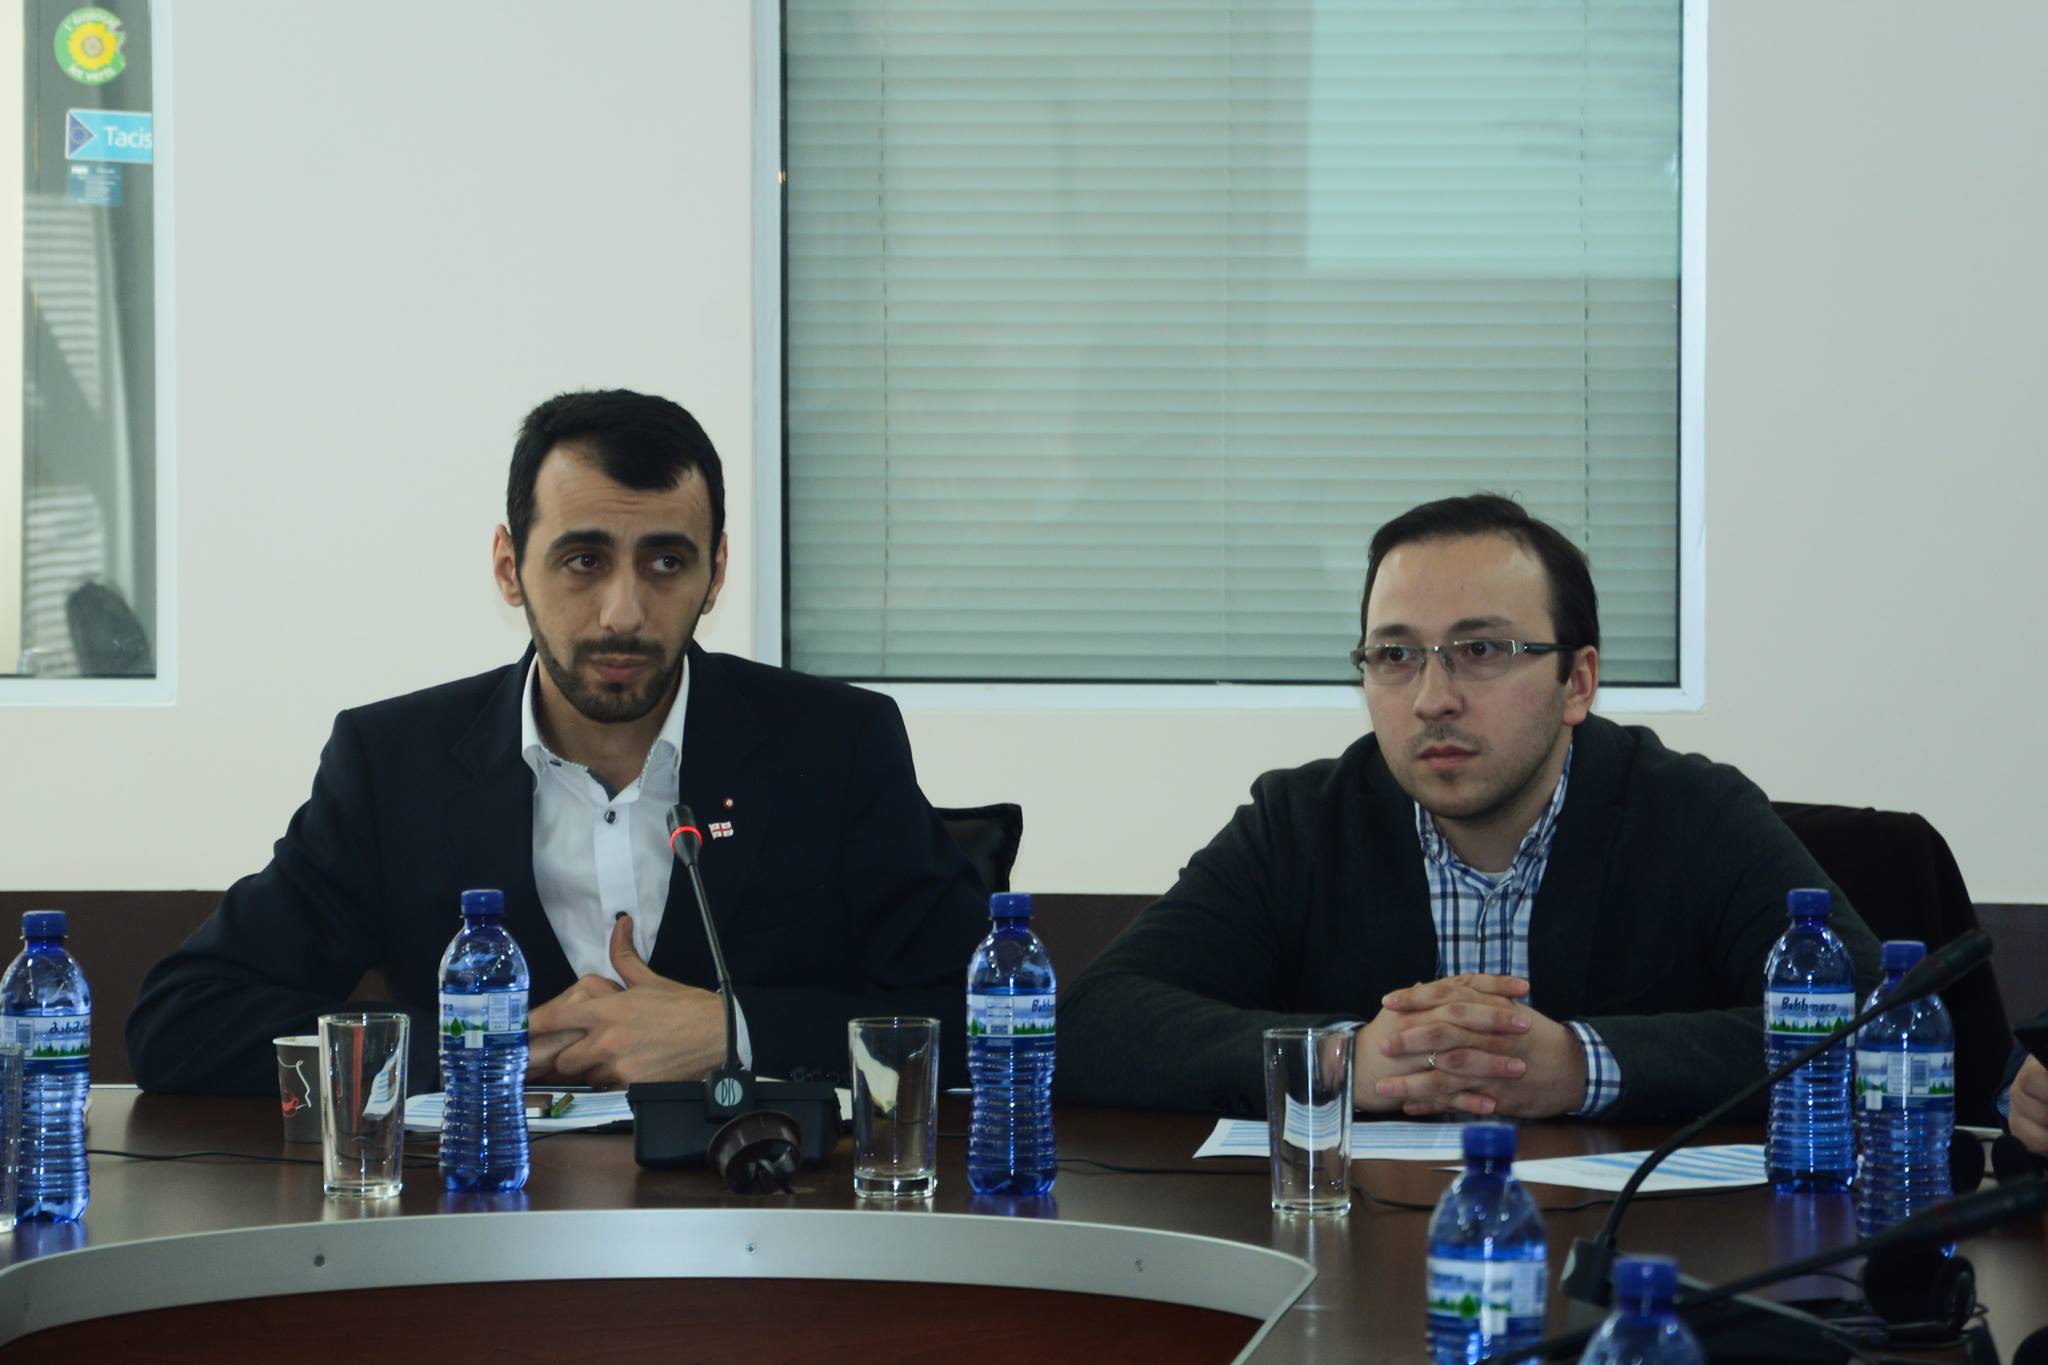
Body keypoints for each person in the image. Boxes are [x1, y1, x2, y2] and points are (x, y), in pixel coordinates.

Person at [128, 389, 989, 1095]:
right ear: (510, 567)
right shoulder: (394, 765)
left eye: (666, 562)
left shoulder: (834, 747)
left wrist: (738, 1030)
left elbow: (999, 1020)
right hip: (480, 1224)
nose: (623, 612)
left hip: (765, 1220)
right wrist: (484, 1048)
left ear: (716, 573)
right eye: (583, 560)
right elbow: (182, 1020)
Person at [1060, 493, 1881, 1122]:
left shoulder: (1691, 812)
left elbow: (1881, 1020)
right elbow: (1097, 1021)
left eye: (1481, 649)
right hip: (1362, 1247)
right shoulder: (1300, 823)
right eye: (1395, 654)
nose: (1432, 698)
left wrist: (1584, 1066)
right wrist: (1341, 1058)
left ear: (1578, 681)